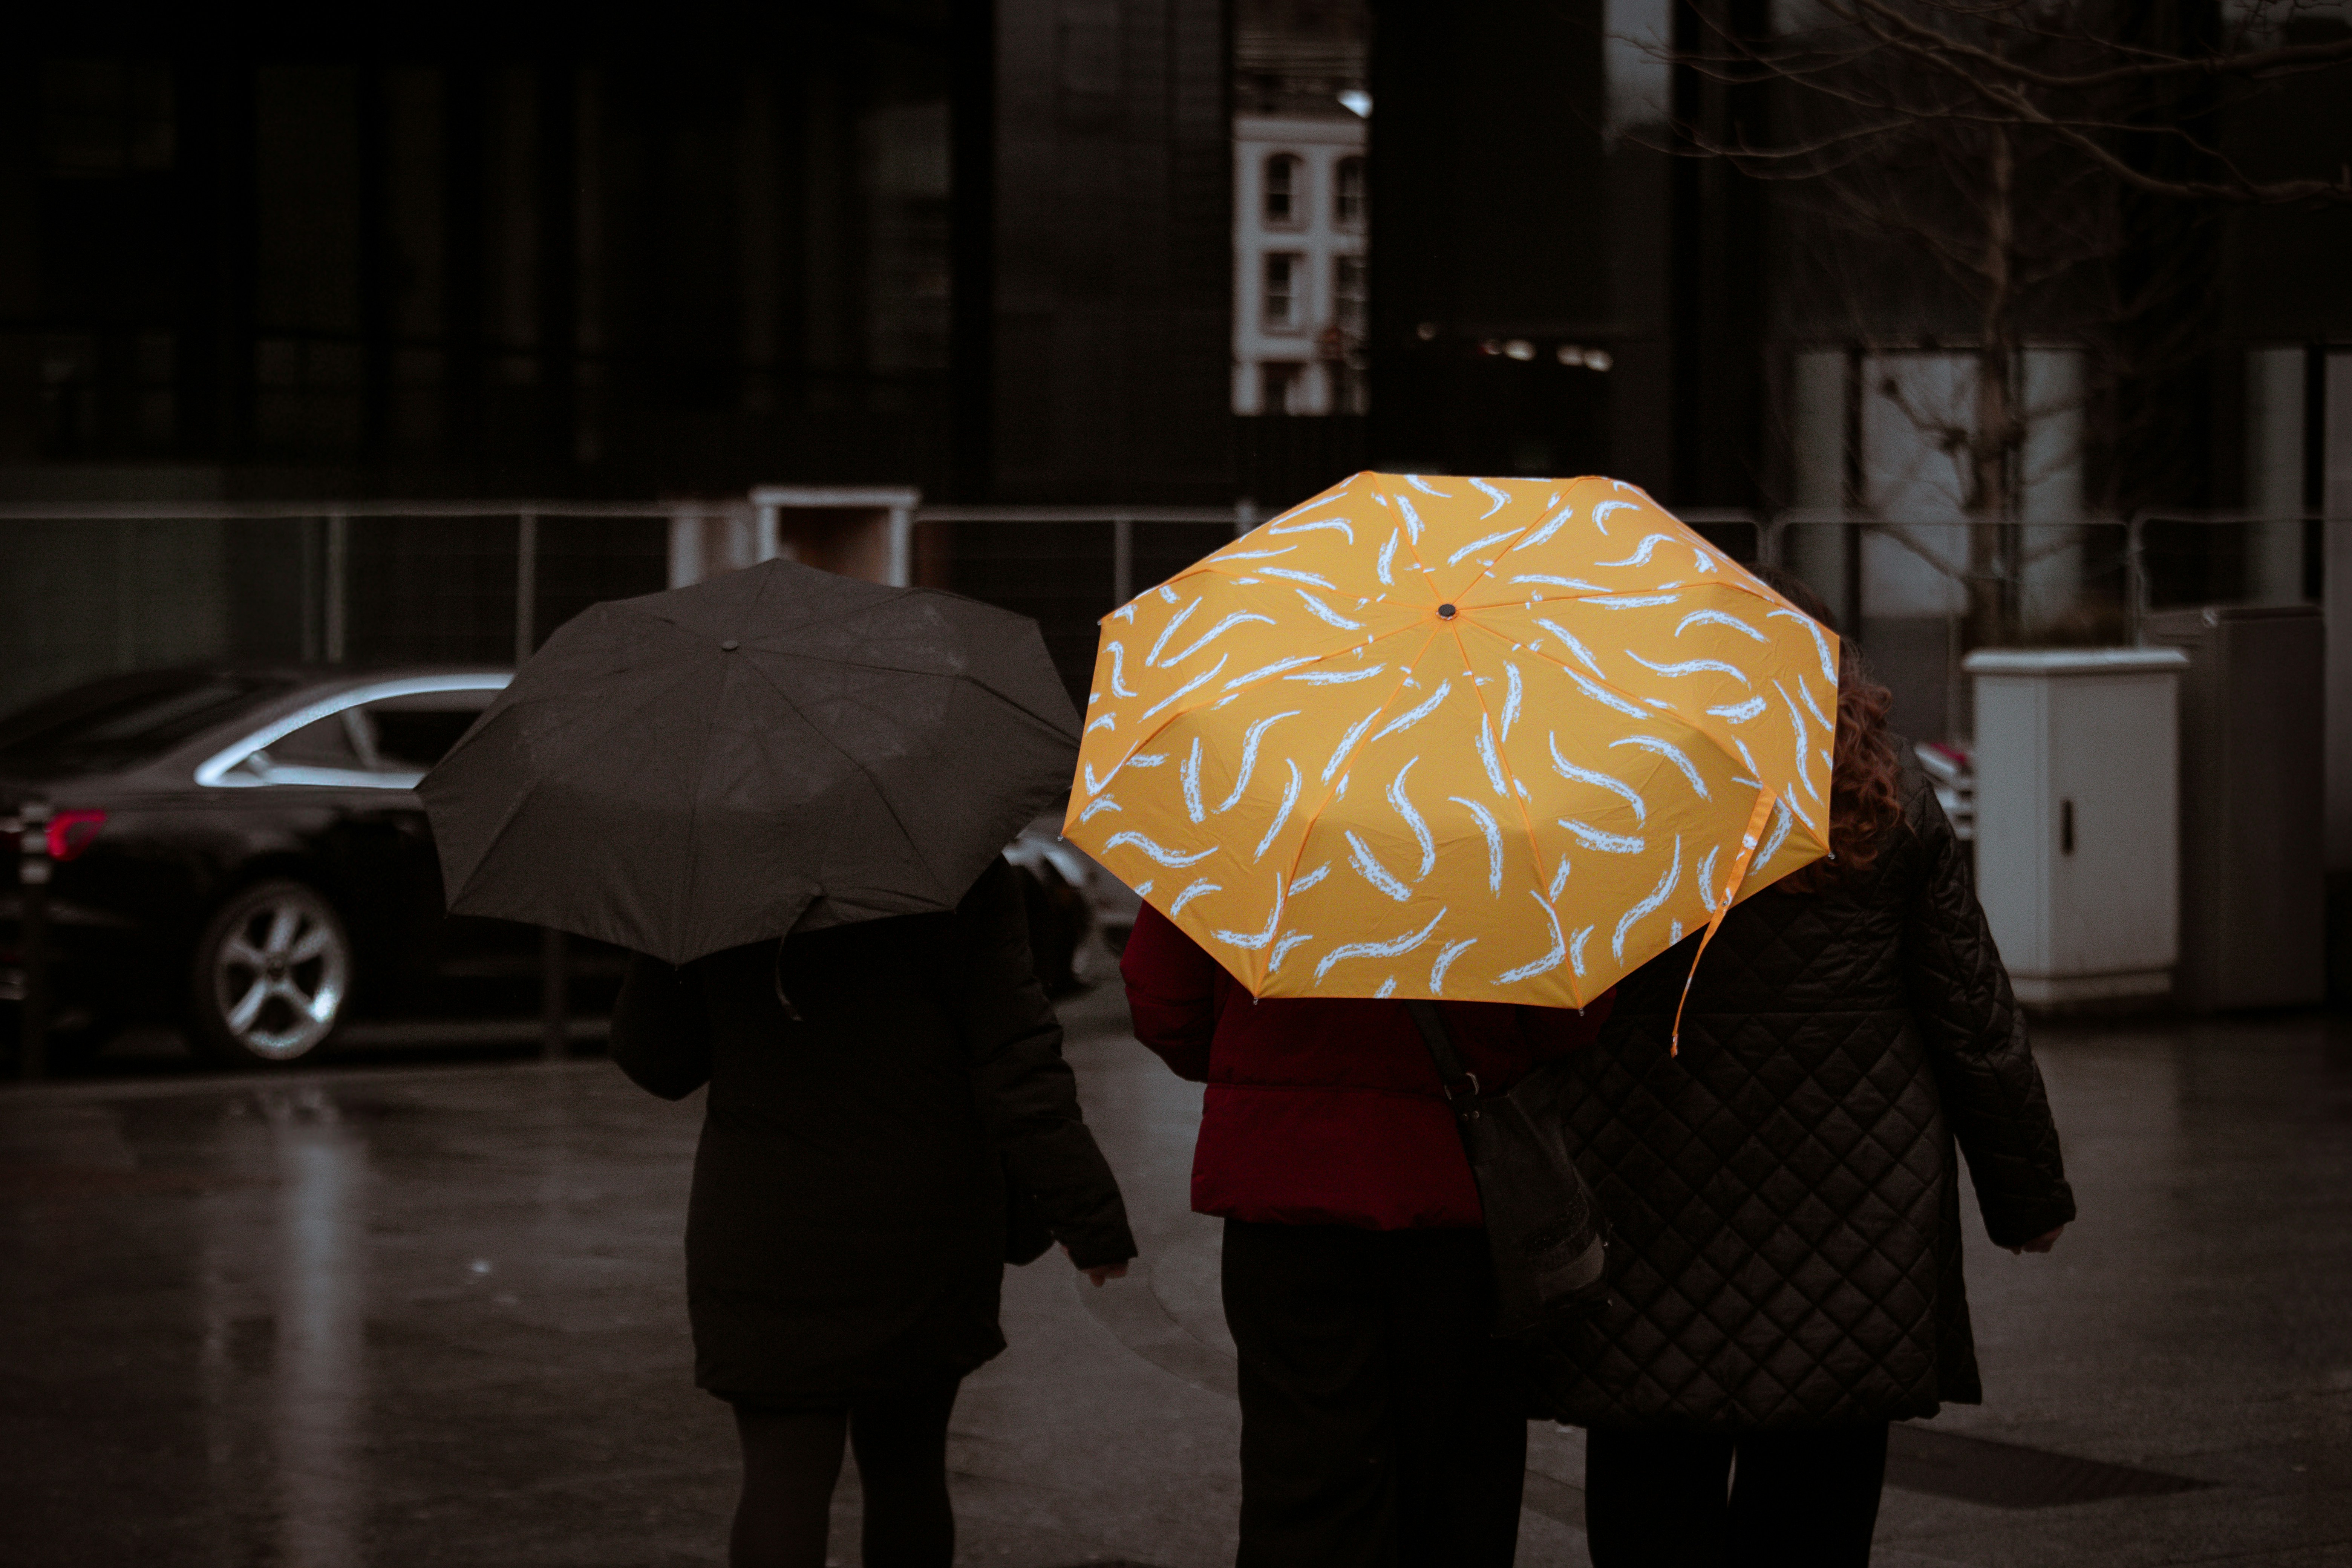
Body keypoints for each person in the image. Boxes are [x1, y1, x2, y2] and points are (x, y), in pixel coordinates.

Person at [1544, 569, 2076, 1567]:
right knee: (1816, 1523)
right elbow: (1973, 1018)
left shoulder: (1602, 810)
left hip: (1652, 1206)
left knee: (1652, 1505)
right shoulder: (1889, 804)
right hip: (1853, 1227)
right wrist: (2027, 1196)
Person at [611, 856, 1136, 1568]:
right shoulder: (953, 863)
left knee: (781, 1478)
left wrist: (667, 939)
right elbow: (1015, 1053)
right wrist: (1086, 1212)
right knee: (908, 1473)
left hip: (765, 1220)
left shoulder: (709, 870)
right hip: (921, 1215)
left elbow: (658, 1062)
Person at [1121, 906, 1611, 1566]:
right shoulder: (1504, 828)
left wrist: (1266, 1066)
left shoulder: (1244, 824)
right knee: (1456, 1479)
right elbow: (1567, 1017)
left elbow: (1165, 1007)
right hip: (1455, 1198)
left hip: (1286, 1197)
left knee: (1303, 1479)